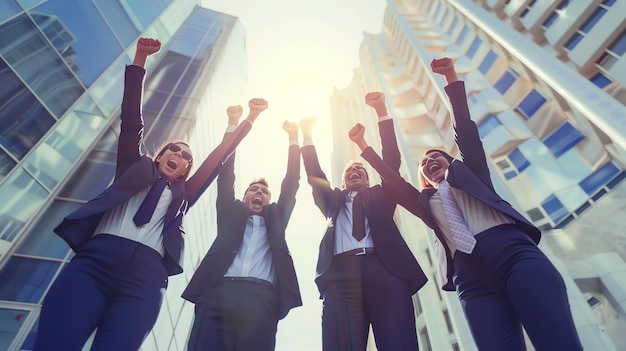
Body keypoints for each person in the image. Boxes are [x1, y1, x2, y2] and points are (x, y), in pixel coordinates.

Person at [33, 38, 266, 351]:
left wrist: (249, 119)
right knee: (55, 342)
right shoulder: (133, 167)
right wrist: (140, 59)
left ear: (185, 170)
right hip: (94, 264)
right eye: (174, 149)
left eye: (186, 157)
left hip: (145, 280)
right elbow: (131, 118)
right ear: (159, 155)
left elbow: (217, 159)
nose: (180, 156)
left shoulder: (184, 194)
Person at [349, 57, 583, 351]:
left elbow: (465, 132)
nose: (430, 160)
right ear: (423, 178)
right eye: (423, 162)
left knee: (556, 340)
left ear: (452, 163)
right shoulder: (424, 201)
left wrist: (451, 79)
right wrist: (367, 139)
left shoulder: (473, 176)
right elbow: (391, 178)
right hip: (470, 279)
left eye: (437, 157)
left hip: (514, 254)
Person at [299, 92, 427, 351]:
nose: (355, 171)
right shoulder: (332, 202)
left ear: (368, 180)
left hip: (385, 270)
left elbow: (390, 162)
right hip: (341, 278)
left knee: (399, 344)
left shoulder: (382, 194)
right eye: (349, 172)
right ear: (343, 182)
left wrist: (381, 112)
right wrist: (307, 134)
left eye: (361, 170)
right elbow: (314, 173)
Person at [182, 108, 302, 351]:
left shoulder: (277, 219)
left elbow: (291, 182)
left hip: (261, 301)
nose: (259, 193)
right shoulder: (230, 214)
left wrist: (293, 138)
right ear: (244, 197)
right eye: (253, 190)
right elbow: (225, 175)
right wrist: (233, 123)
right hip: (218, 293)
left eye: (264, 192)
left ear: (269, 200)